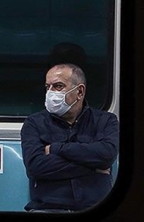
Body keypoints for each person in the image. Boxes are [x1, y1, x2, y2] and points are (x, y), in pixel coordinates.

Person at [20, 63, 119, 212]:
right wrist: (92, 167)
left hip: (97, 210)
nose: (51, 93)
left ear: (79, 91)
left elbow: (107, 155)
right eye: (48, 87)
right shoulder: (34, 123)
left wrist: (56, 148)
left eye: (58, 86)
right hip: (49, 209)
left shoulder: (105, 121)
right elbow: (36, 167)